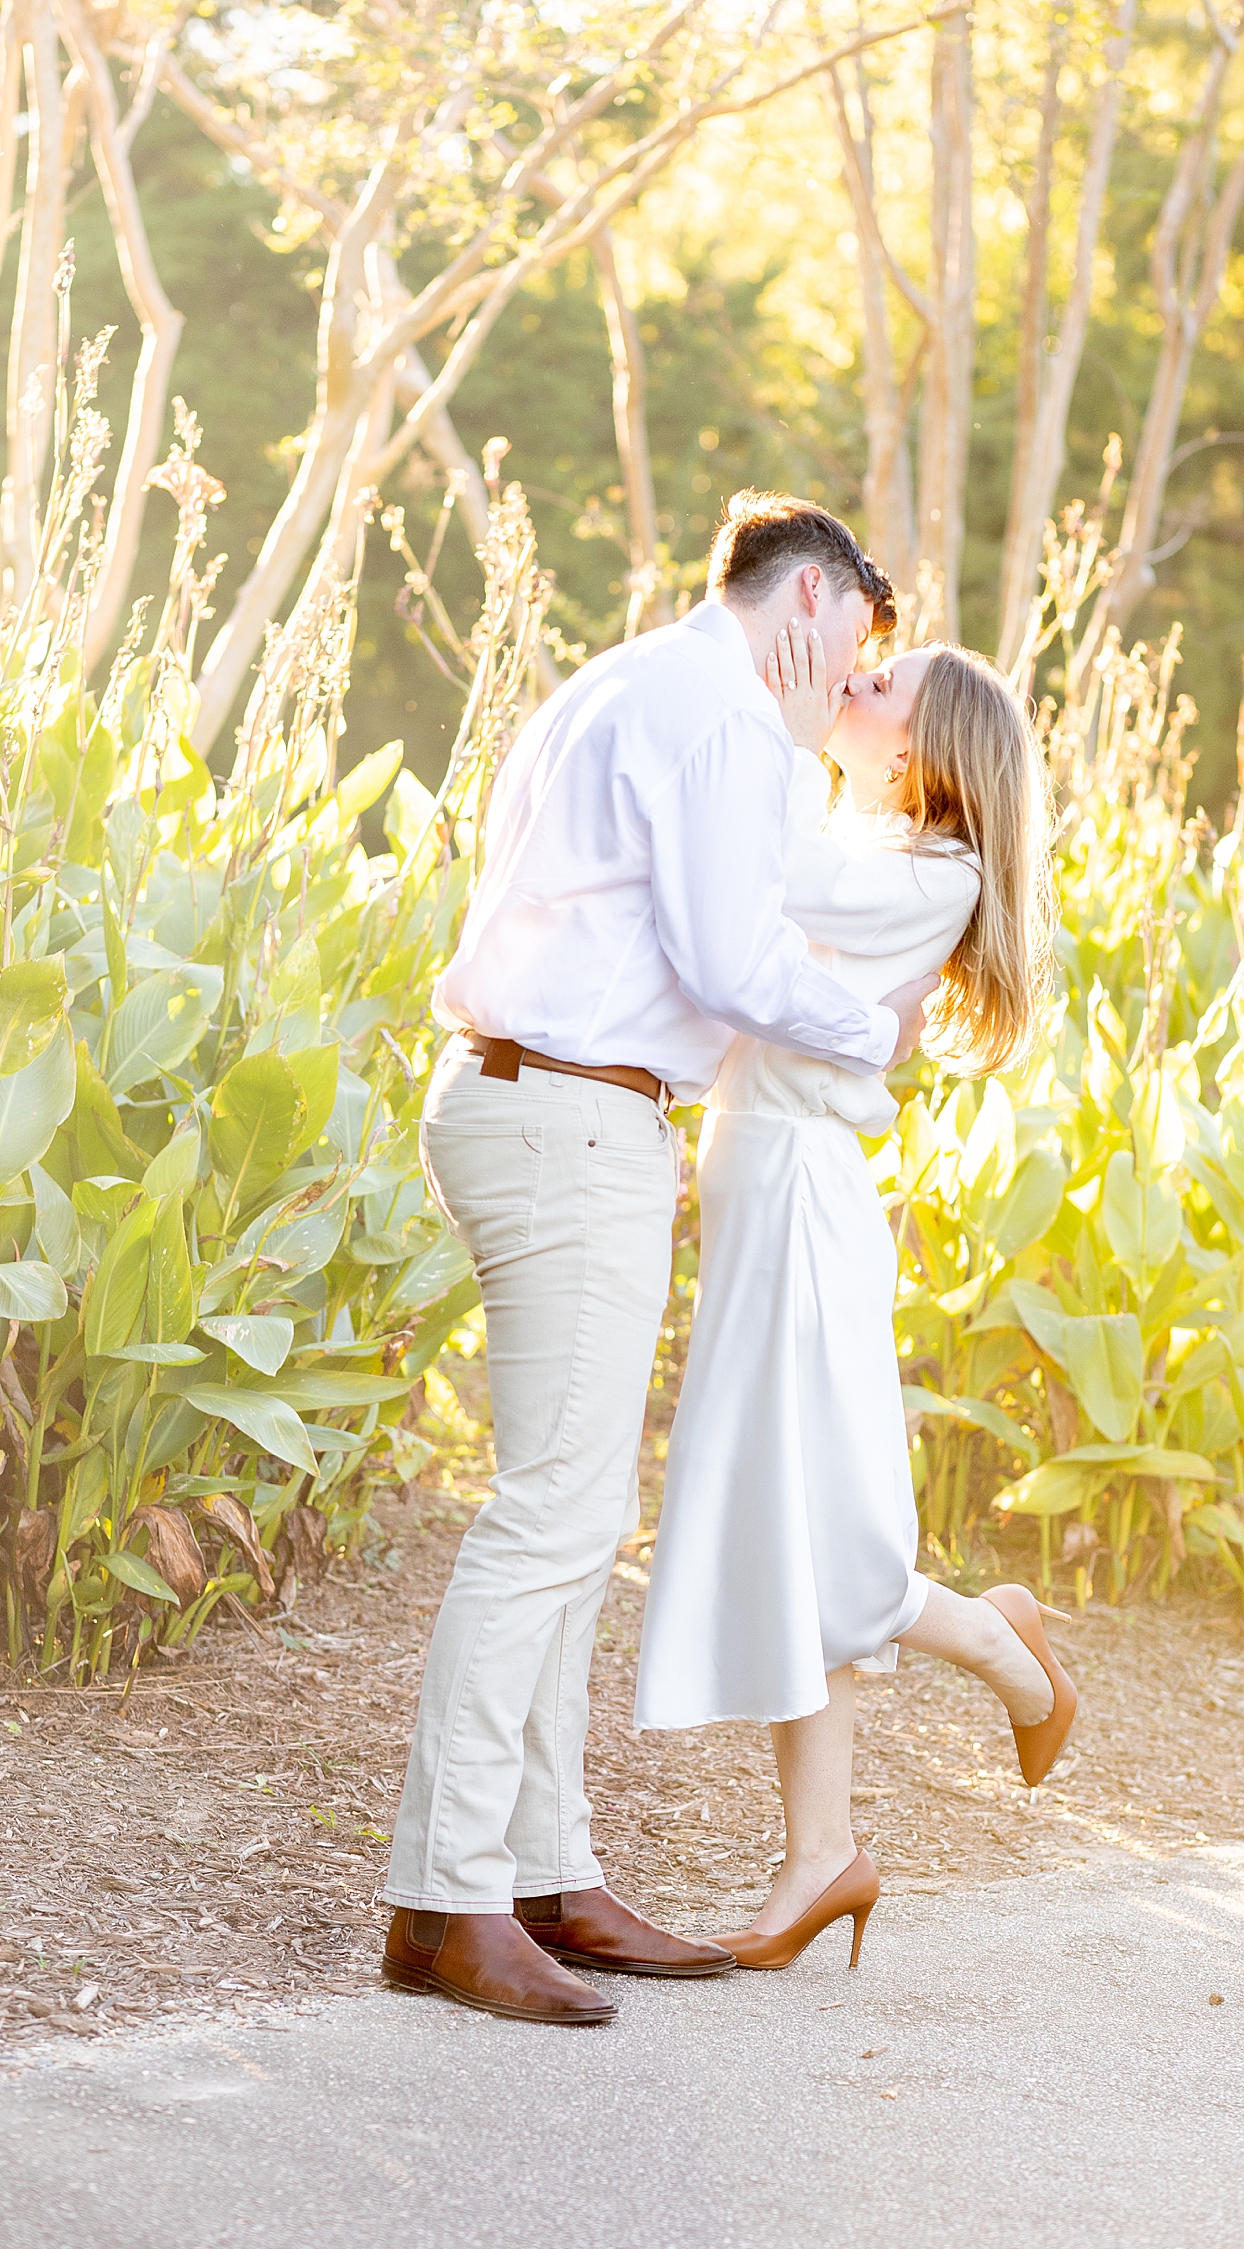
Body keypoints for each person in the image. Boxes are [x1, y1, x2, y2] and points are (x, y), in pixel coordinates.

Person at [381, 492, 941, 2027]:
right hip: (569, 1114)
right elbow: (726, 952)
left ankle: (549, 1873)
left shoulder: (619, 680)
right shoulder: (724, 720)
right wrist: (873, 1028)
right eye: (853, 656)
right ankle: (445, 1896)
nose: (843, 691)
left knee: (569, 1504)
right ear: (813, 599)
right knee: (552, 1511)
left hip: (531, 1101)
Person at [634, 629, 1078, 1971]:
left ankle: (1009, 1653)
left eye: (882, 686)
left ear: (930, 749)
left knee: (834, 1540)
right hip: (764, 1184)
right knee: (792, 1536)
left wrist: (759, 711)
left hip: (807, 1205)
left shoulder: (925, 871)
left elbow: (778, 878)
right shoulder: (869, 846)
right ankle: (821, 1854)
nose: (856, 684)